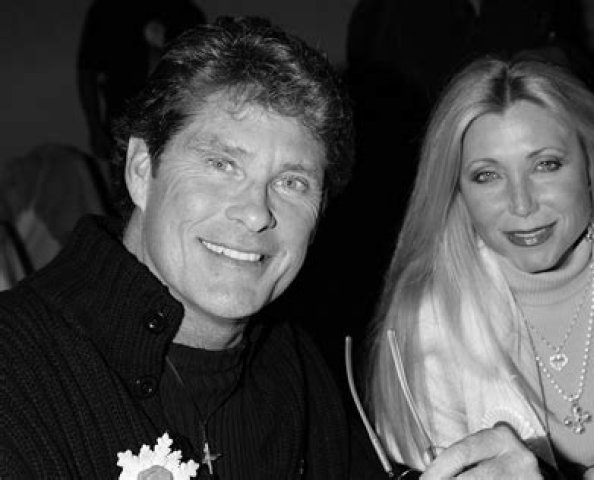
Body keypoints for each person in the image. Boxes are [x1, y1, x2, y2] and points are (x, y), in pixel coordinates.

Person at [1, 16, 356, 479]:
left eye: (292, 182)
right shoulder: (17, 372)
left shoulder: (299, 368)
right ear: (141, 170)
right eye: (222, 164)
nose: (256, 212)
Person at [368, 55, 594, 479]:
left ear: (591, 167)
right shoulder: (430, 333)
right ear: (457, 191)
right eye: (487, 176)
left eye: (546, 165)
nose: (521, 204)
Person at [77, 0, 205, 159]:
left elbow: (202, 74)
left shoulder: (186, 13)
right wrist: (95, 127)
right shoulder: (106, 11)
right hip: (122, 124)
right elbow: (87, 72)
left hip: (175, 124)